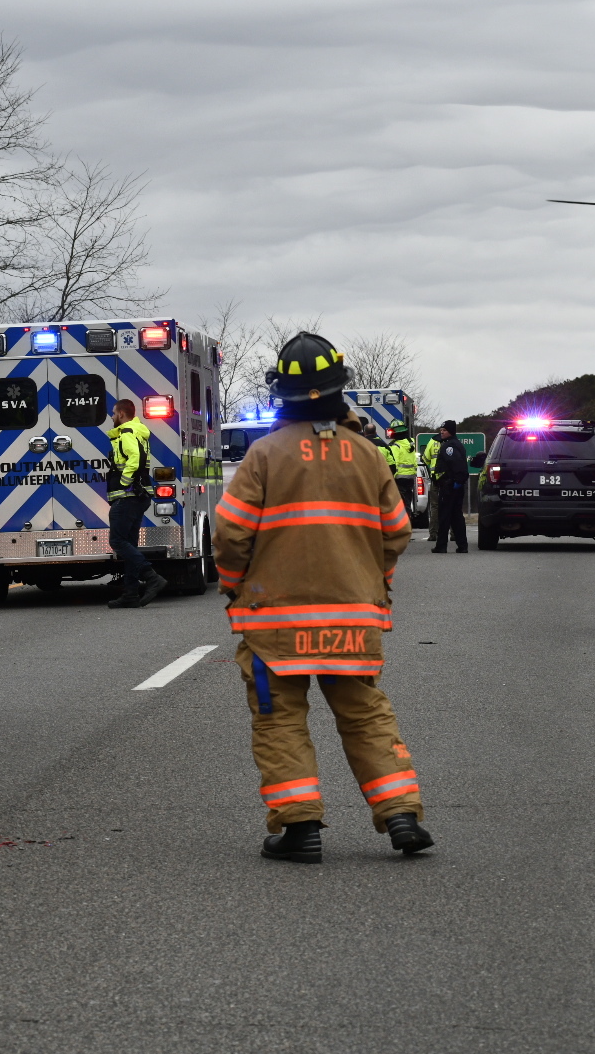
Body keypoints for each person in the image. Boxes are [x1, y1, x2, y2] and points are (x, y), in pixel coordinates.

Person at [214, 330, 434, 864]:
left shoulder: (264, 455)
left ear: (282, 395)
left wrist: (232, 584)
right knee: (365, 715)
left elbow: (229, 534)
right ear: (342, 389)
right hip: (353, 622)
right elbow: (397, 532)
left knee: (279, 720)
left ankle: (300, 828)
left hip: (275, 624)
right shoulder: (368, 455)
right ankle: (401, 814)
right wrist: (373, 583)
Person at [105, 398, 169, 609]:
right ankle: (131, 593)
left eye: (114, 413)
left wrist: (124, 483)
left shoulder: (127, 433)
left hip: (128, 497)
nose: (112, 417)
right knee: (129, 544)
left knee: (118, 541)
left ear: (121, 414)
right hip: (137, 497)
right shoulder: (137, 432)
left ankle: (151, 577)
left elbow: (136, 458)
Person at [431, 420, 470, 554]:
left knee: (445, 516)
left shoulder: (450, 447)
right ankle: (462, 545)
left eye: (444, 430)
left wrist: (456, 482)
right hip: (453, 485)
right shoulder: (454, 444)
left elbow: (457, 465)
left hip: (450, 486)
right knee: (456, 516)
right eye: (441, 430)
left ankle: (441, 546)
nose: (441, 432)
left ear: (451, 431)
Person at [386, 422, 419, 519]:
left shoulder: (395, 446)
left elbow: (394, 463)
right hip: (411, 477)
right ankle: (407, 520)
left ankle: (402, 523)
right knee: (407, 501)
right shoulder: (412, 442)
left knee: (399, 503)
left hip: (399, 478)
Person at [422, 431, 441, 541]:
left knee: (435, 506)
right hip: (449, 479)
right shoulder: (452, 442)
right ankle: (454, 534)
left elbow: (425, 459)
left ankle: (433, 533)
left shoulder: (432, 441)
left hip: (435, 479)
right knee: (451, 506)